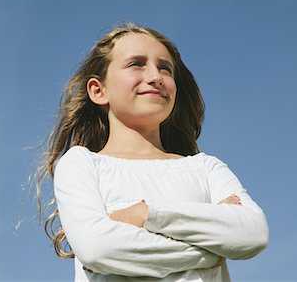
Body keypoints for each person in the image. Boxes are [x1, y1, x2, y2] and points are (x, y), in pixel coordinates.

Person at [36, 22, 268, 281]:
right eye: (136, 64)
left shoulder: (206, 168)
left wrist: (146, 214)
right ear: (99, 91)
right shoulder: (82, 164)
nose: (156, 76)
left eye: (165, 68)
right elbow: (99, 249)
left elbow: (253, 233)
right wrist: (211, 250)